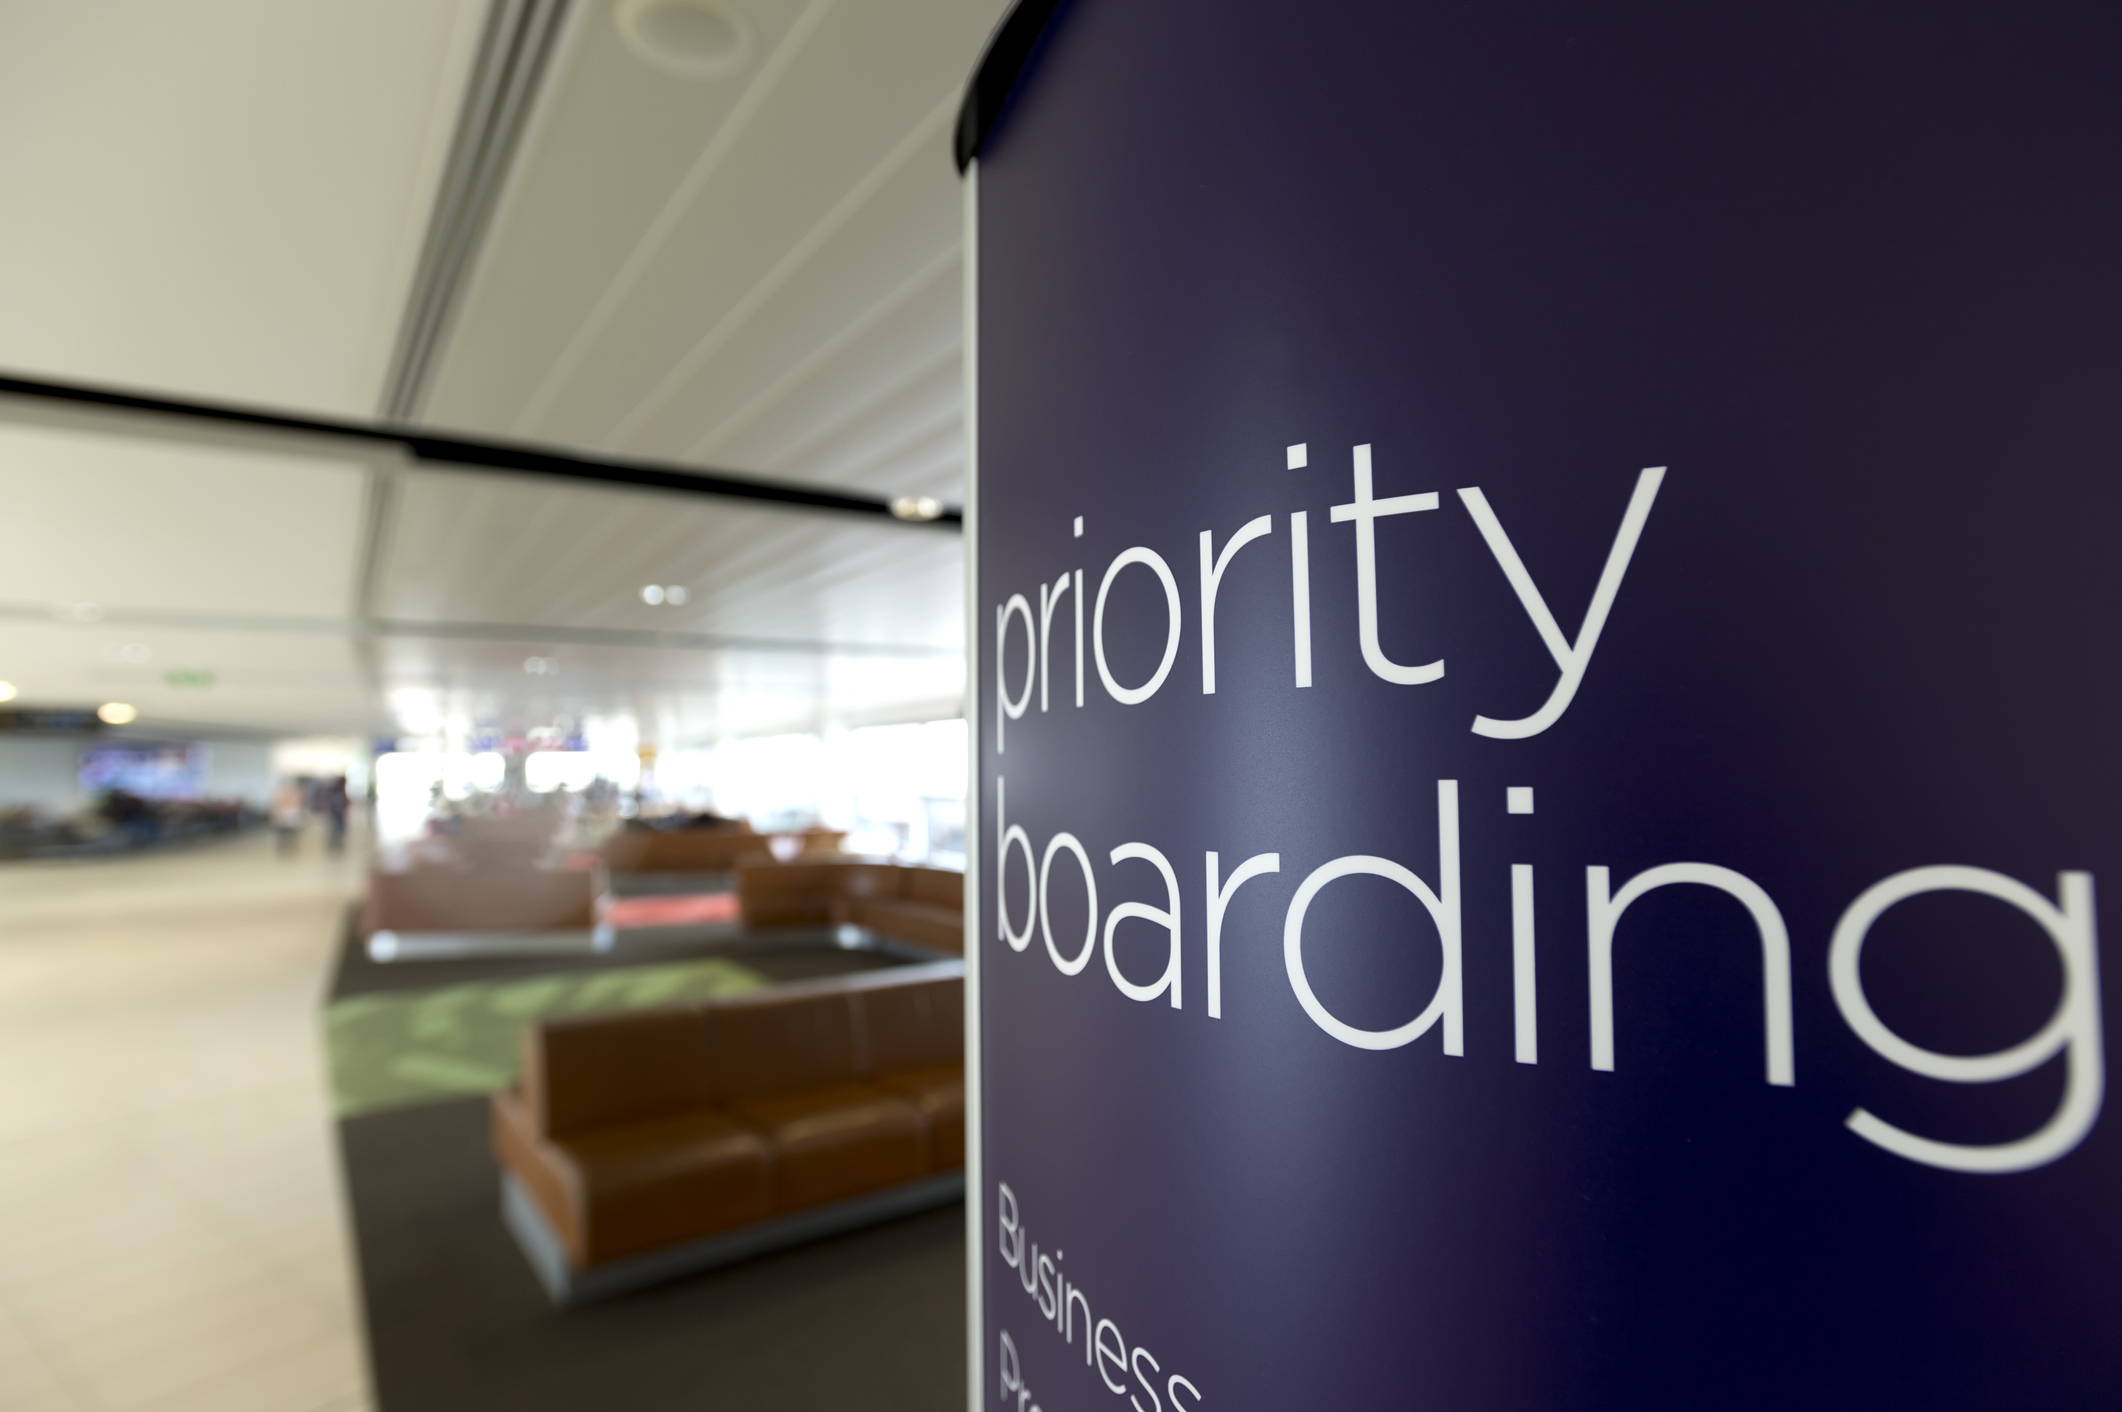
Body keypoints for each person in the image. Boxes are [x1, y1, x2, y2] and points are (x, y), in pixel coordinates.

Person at [270, 780, 306, 856]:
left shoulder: (296, 796)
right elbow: (275, 806)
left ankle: (291, 848)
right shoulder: (280, 795)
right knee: (283, 835)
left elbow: (300, 805)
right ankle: (283, 848)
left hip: (293, 817)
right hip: (282, 817)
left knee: (292, 835)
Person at [320, 775, 348, 853]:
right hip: (336, 812)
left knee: (337, 827)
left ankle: (337, 842)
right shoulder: (336, 789)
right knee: (335, 828)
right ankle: (334, 843)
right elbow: (334, 801)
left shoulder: (339, 789)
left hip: (338, 812)